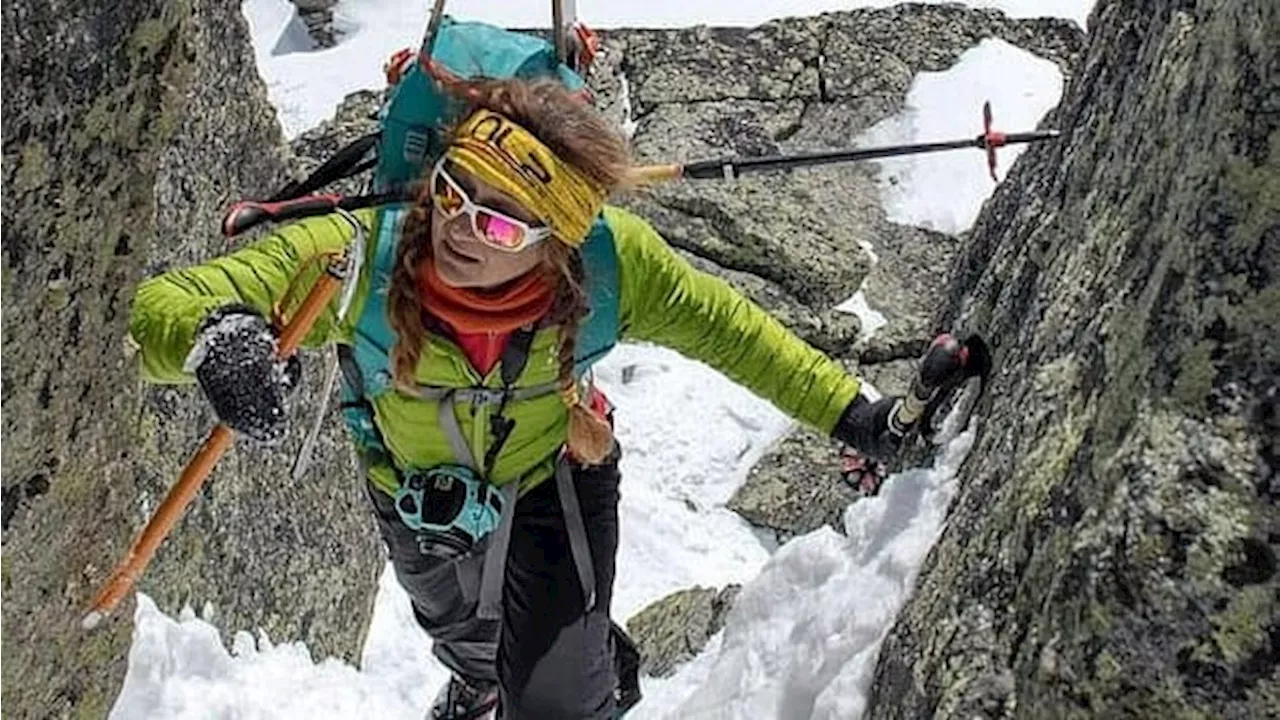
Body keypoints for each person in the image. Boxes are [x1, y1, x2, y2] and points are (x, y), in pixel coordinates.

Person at [128, 77, 915, 719]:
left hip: (555, 473)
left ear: (556, 244)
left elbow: (732, 332)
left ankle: (577, 671)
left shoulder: (610, 268)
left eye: (501, 225)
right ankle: (485, 679)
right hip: (415, 492)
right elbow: (168, 303)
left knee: (561, 698)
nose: (462, 229)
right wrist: (219, 334)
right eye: (453, 192)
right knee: (460, 633)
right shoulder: (358, 257)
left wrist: (852, 415)